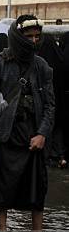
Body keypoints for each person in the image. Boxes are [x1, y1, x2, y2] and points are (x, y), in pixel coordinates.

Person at [0, 16, 55, 232]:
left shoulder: (42, 67)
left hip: (32, 134)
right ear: (18, 37)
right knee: (2, 184)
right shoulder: (1, 62)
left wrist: (42, 134)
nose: (34, 41)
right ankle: (2, 231)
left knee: (36, 187)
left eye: (38, 36)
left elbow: (50, 105)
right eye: (29, 36)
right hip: (6, 132)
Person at [37, 33, 67, 168]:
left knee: (47, 127)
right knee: (58, 128)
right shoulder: (61, 59)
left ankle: (48, 155)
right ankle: (60, 155)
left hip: (45, 102)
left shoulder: (40, 62)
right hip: (61, 101)